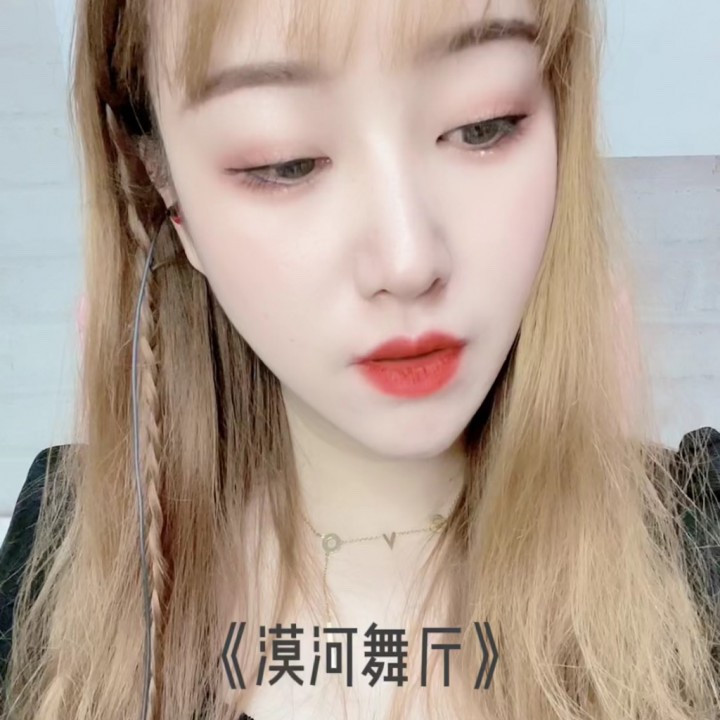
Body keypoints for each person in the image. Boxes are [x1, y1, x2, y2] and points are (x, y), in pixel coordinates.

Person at [1, 0, 719, 718]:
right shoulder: (57, 570)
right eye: (284, 163)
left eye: (484, 124)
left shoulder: (702, 545)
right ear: (162, 185)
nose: (407, 262)